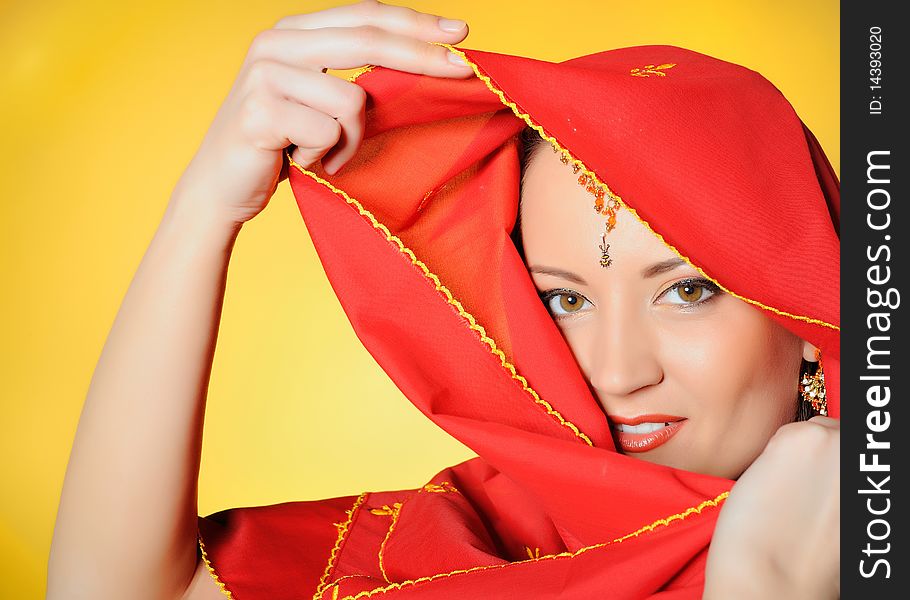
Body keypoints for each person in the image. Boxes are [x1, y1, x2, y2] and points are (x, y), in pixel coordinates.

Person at [47, 1, 840, 598]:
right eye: (564, 300)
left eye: (687, 290)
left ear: (804, 312)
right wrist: (206, 209)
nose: (617, 370)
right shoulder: (471, 537)